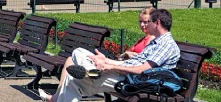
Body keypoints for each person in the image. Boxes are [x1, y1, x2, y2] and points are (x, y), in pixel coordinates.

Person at [41, 8, 181, 102]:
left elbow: (140, 70)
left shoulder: (166, 45)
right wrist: (106, 61)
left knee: (72, 78)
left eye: (149, 22)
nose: (146, 25)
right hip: (124, 73)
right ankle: (92, 72)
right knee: (78, 53)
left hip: (131, 80)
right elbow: (132, 62)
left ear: (157, 23)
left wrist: (110, 67)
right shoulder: (156, 42)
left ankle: (93, 72)